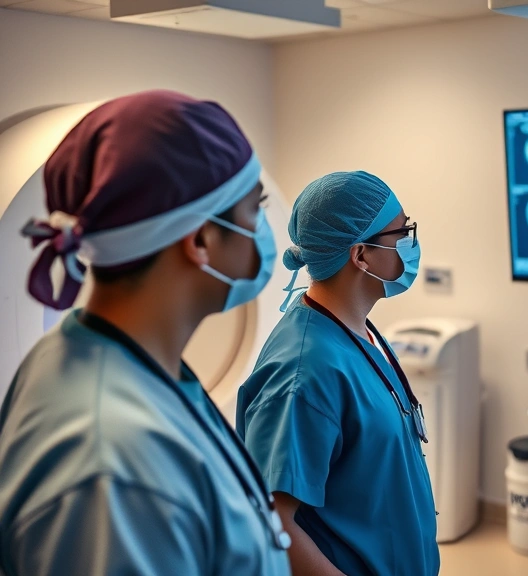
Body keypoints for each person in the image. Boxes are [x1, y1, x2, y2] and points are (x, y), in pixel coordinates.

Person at [0, 91, 291, 575]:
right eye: (253, 210)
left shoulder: (106, 355)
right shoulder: (112, 467)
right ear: (199, 240)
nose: (264, 230)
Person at [236, 171, 439, 576]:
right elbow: (271, 521)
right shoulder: (303, 374)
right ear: (360, 255)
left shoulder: (353, 329)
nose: (410, 244)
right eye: (402, 232)